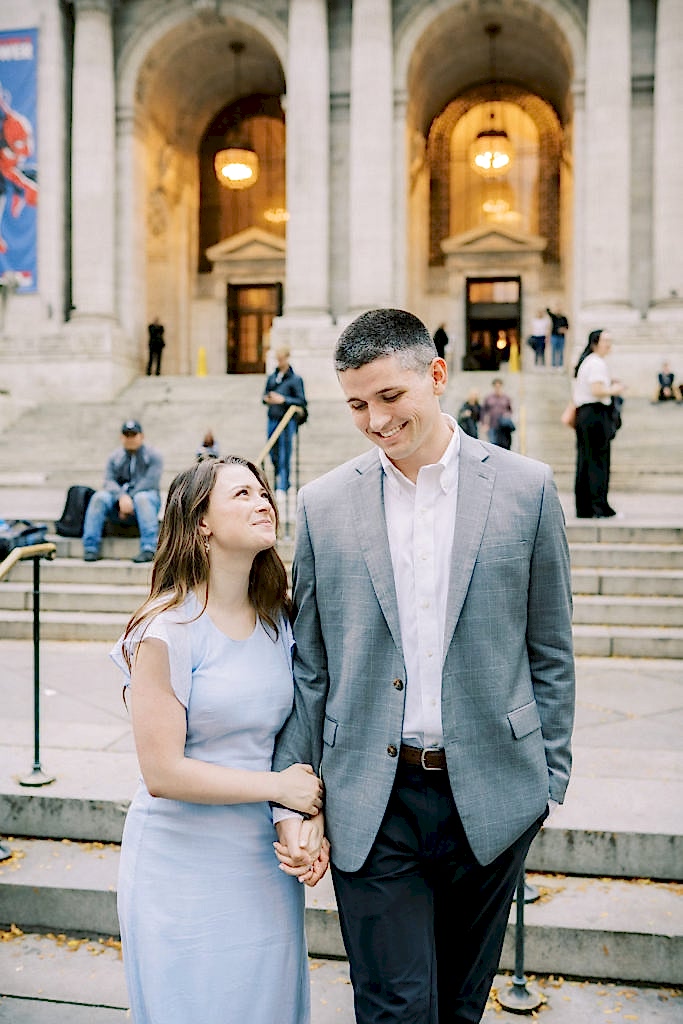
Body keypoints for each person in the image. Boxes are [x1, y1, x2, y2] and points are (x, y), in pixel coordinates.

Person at [273, 308, 575, 1024]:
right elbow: (310, 664)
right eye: (355, 405)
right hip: (370, 800)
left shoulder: (526, 488)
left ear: (435, 375)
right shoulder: (321, 504)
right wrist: (294, 794)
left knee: (458, 1008)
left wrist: (547, 781)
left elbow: (551, 648)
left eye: (388, 398)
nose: (374, 421)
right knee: (395, 1008)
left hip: (494, 797)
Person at [110, 455, 326, 1024]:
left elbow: (289, 737)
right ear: (201, 522)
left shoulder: (278, 620)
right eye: (241, 495)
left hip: (260, 866)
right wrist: (278, 786)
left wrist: (300, 820)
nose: (263, 502)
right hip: (180, 864)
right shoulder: (167, 631)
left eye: (263, 492)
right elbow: (163, 773)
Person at [82, 420, 163, 563]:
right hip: (119, 501)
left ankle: (149, 548)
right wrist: (121, 498)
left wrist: (128, 499)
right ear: (121, 437)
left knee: (142, 498)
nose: (130, 438)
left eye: (133, 435)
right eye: (127, 435)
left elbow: (150, 482)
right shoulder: (115, 457)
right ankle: (90, 547)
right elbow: (108, 480)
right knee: (99, 497)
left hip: (146, 502)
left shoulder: (153, 455)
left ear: (141, 436)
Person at [573, 329, 625, 519]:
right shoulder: (596, 363)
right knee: (598, 461)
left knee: (586, 460)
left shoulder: (589, 362)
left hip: (586, 414)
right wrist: (615, 389)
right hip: (595, 414)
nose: (609, 344)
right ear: (596, 342)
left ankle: (585, 508)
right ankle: (599, 506)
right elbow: (597, 390)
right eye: (606, 340)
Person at [262, 345, 307, 510]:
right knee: (273, 453)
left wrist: (283, 400)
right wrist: (268, 398)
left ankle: (283, 485)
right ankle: (280, 482)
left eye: (281, 358)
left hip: (287, 421)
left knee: (284, 454)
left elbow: (301, 401)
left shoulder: (295, 379)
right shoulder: (273, 377)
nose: (279, 362)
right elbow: (263, 395)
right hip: (273, 419)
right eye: (277, 358)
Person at [481, 377, 514, 449]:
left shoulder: (506, 398)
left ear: (502, 386)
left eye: (499, 386)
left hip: (503, 428)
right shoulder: (488, 398)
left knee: (505, 447)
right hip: (492, 426)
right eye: (496, 386)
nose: (497, 388)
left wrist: (507, 415)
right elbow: (483, 412)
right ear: (493, 387)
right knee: (493, 447)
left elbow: (510, 410)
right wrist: (484, 424)